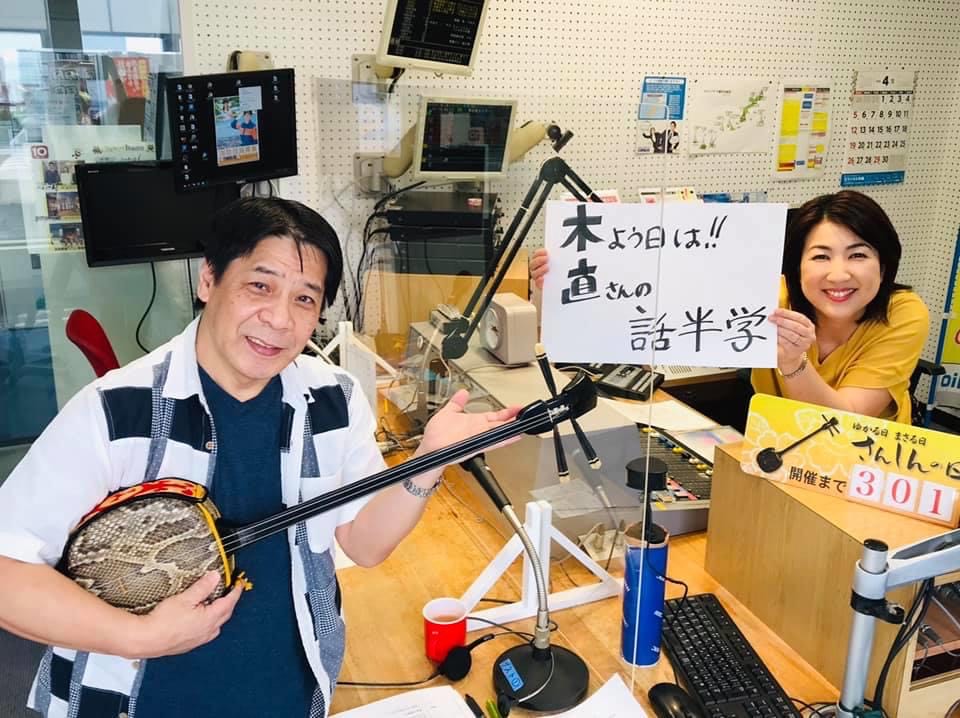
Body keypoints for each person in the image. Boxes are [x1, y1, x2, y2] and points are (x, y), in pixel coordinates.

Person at [0, 197, 521, 718]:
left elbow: (363, 544)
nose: (279, 319)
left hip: (291, 693)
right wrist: (140, 636)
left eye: (304, 299)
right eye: (260, 286)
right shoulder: (116, 411)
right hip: (139, 701)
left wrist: (430, 460)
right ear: (208, 280)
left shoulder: (332, 398)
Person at [529, 190, 929, 423]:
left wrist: (793, 363)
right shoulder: (772, 296)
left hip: (862, 474)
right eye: (821, 256)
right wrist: (568, 280)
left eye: (858, 255)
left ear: (884, 263)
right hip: (773, 453)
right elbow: (650, 301)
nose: (838, 274)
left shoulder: (903, 313)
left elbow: (843, 420)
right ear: (796, 266)